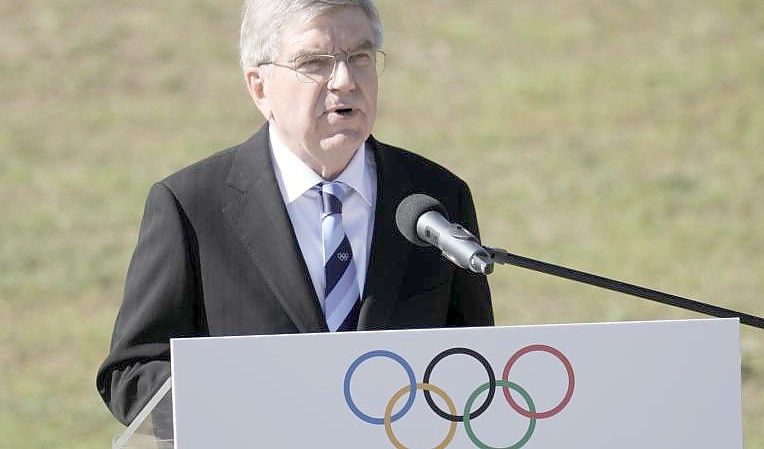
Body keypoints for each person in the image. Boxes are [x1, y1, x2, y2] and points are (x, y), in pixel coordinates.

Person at [97, 0, 493, 426]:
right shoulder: (191, 206)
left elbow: (475, 367)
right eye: (315, 63)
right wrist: (250, 408)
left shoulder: (435, 198)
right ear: (259, 87)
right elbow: (132, 374)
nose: (344, 81)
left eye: (359, 57)